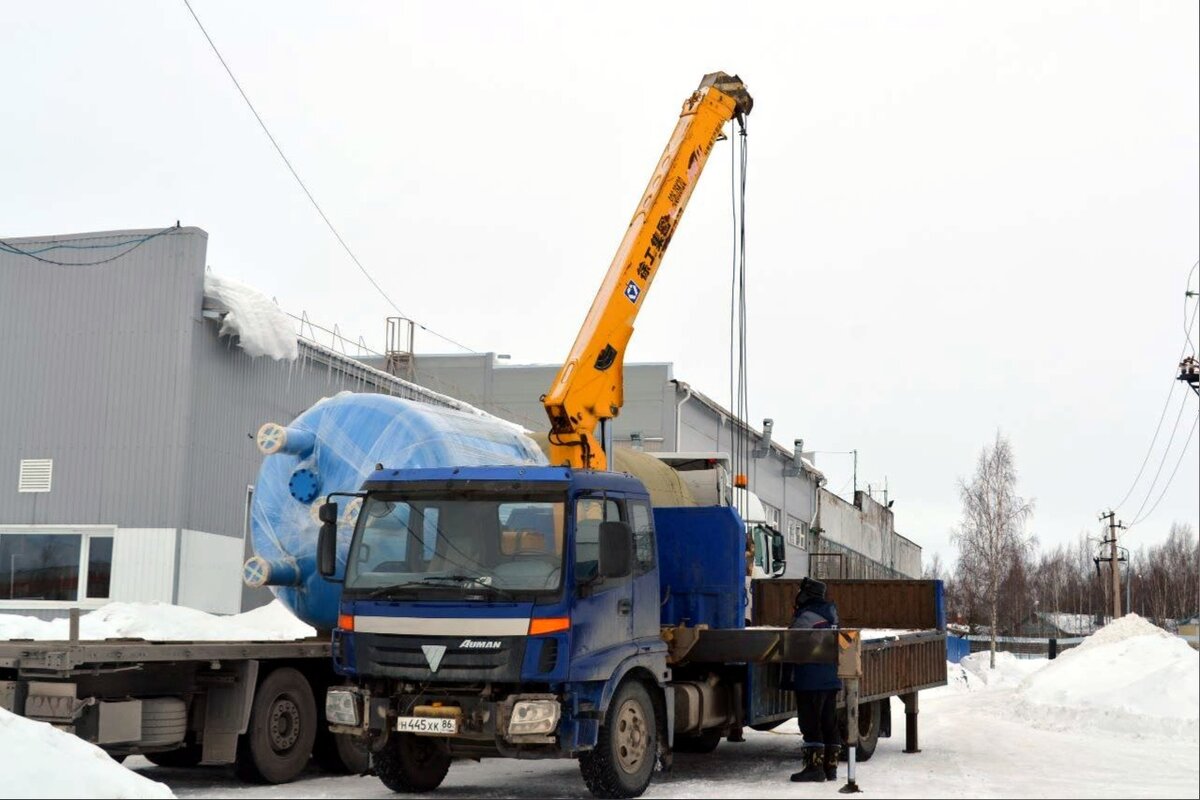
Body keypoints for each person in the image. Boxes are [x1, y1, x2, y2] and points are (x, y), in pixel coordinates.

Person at [782, 577, 842, 783]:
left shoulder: (807, 616)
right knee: (828, 721)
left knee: (810, 722)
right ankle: (830, 768)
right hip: (830, 676)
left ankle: (814, 768)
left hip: (811, 677)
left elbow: (792, 640)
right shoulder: (831, 612)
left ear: (807, 594)